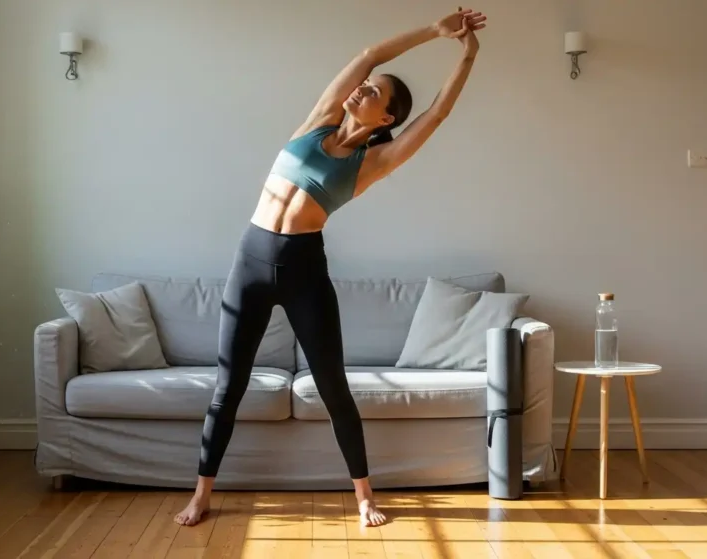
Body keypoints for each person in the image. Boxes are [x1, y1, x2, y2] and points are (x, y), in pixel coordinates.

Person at [174, 7, 487, 528]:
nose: (362, 89)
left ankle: (364, 496)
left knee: (332, 385)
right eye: (364, 86)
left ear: (385, 120)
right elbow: (371, 55)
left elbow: (435, 115)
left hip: (303, 271)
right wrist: (434, 32)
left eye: (374, 93)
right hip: (249, 261)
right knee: (228, 385)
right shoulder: (318, 120)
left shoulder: (372, 163)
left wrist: (467, 55)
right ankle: (201, 493)